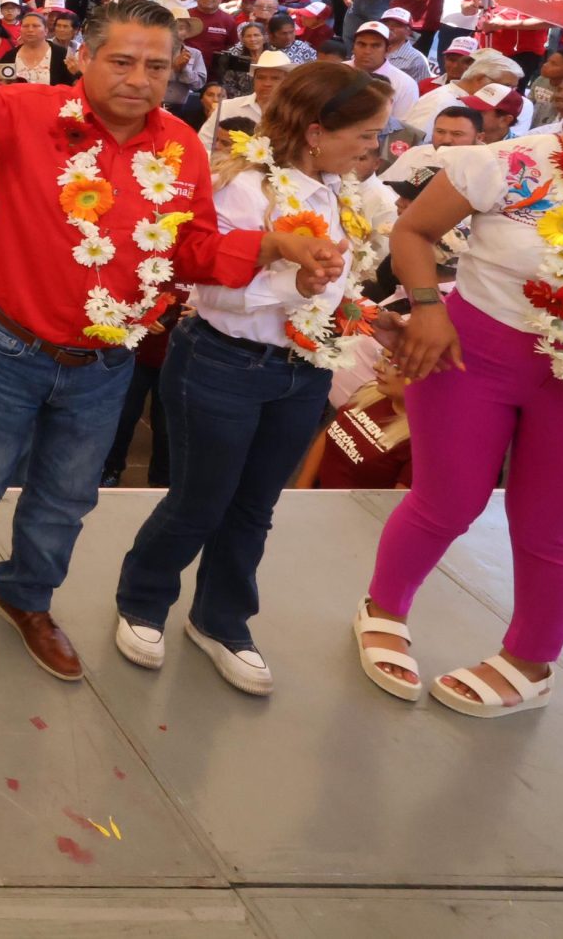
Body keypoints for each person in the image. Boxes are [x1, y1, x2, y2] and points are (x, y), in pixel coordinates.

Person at [0, 0, 342, 680]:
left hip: (105, 362)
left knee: (67, 496)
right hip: (10, 347)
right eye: (123, 61)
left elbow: (192, 250)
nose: (139, 79)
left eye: (157, 66)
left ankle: (27, 598)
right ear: (83, 57)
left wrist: (274, 245)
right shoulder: (29, 110)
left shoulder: (182, 147)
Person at [356, 71, 563, 719]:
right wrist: (427, 307)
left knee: (550, 531)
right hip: (469, 356)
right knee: (443, 502)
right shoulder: (512, 161)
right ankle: (383, 609)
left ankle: (530, 663)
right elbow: (413, 233)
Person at [112, 62, 395, 694]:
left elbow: (332, 291)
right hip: (224, 365)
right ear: (317, 132)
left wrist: (368, 317)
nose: (375, 147)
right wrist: (296, 286)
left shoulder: (342, 195)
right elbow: (208, 287)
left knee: (255, 507)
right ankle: (143, 601)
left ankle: (221, 620)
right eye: (366, 134)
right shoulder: (245, 190)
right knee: (199, 501)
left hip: (303, 373)